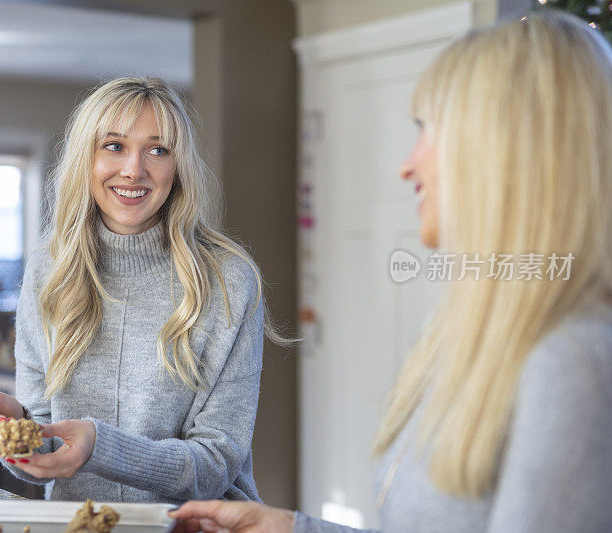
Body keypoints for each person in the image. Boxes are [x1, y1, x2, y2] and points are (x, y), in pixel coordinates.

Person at [170, 10, 612, 532]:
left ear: (506, 152)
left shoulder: (574, 362)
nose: (408, 164)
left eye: (430, 131)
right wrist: (292, 528)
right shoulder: (476, 338)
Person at [0, 77, 285, 503]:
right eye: (114, 146)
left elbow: (216, 465)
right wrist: (14, 426)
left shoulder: (229, 281)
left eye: (158, 150)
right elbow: (47, 456)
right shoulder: (47, 274)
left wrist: (102, 448)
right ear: (86, 159)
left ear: (178, 166)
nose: (134, 169)